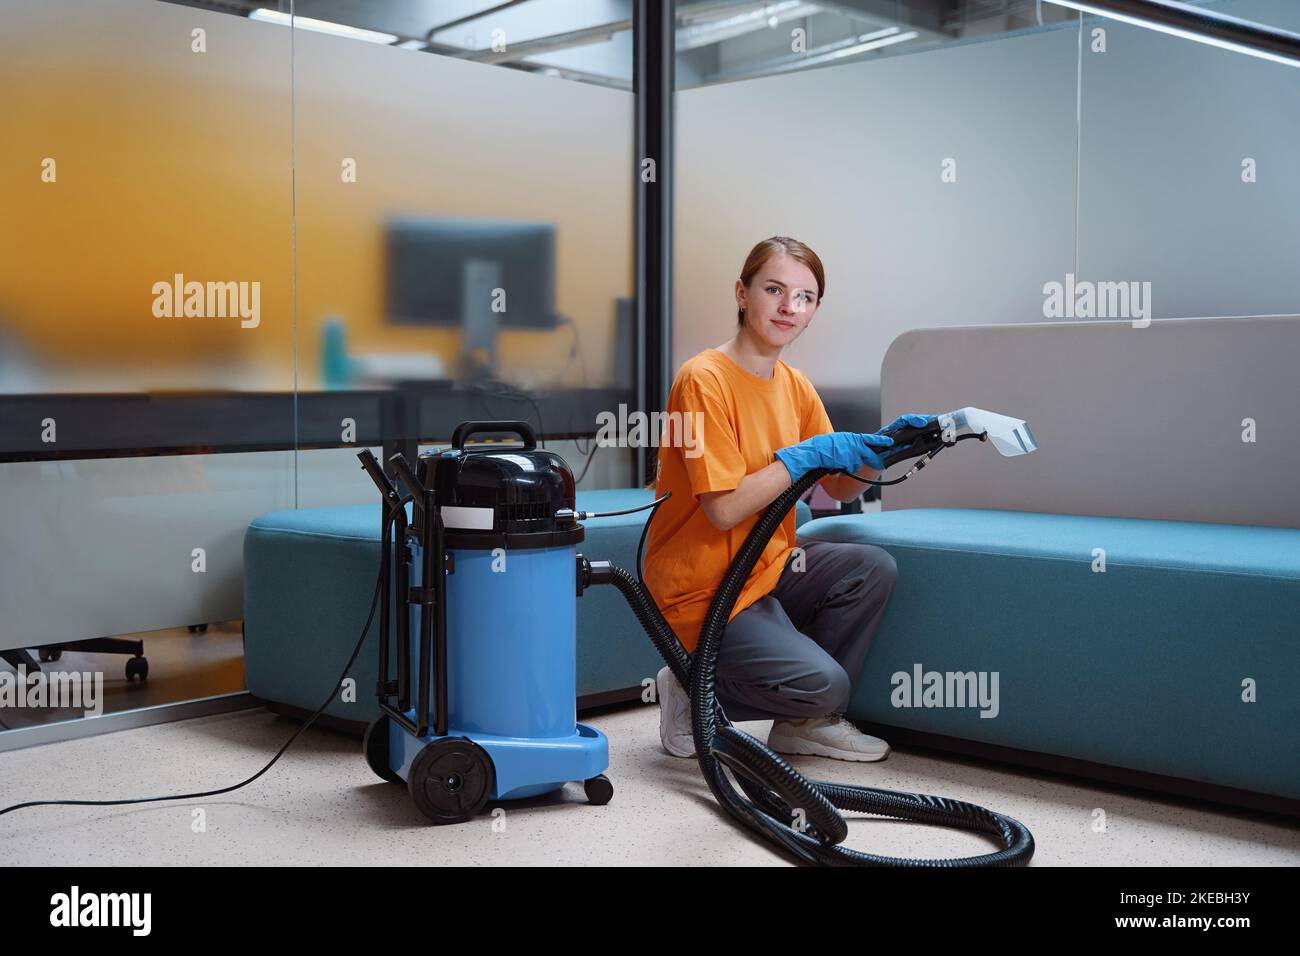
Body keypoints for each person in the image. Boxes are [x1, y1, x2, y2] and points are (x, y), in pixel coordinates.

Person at [642, 236, 931, 762]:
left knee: (869, 568)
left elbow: (839, 487)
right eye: (774, 289)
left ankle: (803, 723)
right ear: (741, 293)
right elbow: (724, 508)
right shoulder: (702, 380)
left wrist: (880, 452)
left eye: (804, 297)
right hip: (705, 586)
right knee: (829, 683)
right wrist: (800, 458)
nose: (788, 307)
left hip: (766, 566)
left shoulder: (794, 385)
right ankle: (691, 685)